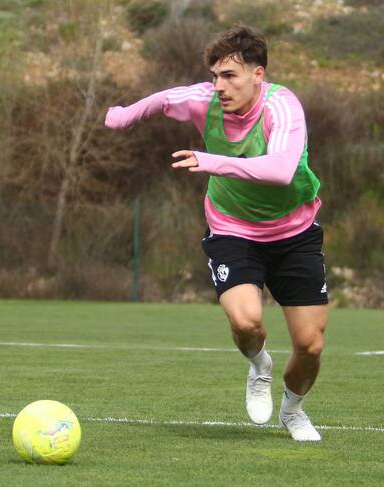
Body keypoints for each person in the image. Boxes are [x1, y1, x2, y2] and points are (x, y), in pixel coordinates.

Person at [105, 24, 327, 441]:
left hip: (293, 232)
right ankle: (260, 366)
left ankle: (293, 410)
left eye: (230, 76)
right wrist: (123, 117)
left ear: (258, 74)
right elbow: (164, 99)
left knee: (310, 344)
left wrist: (211, 162)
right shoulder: (204, 100)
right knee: (246, 322)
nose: (219, 86)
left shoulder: (283, 107)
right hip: (232, 228)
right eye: (215, 76)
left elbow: (281, 170)